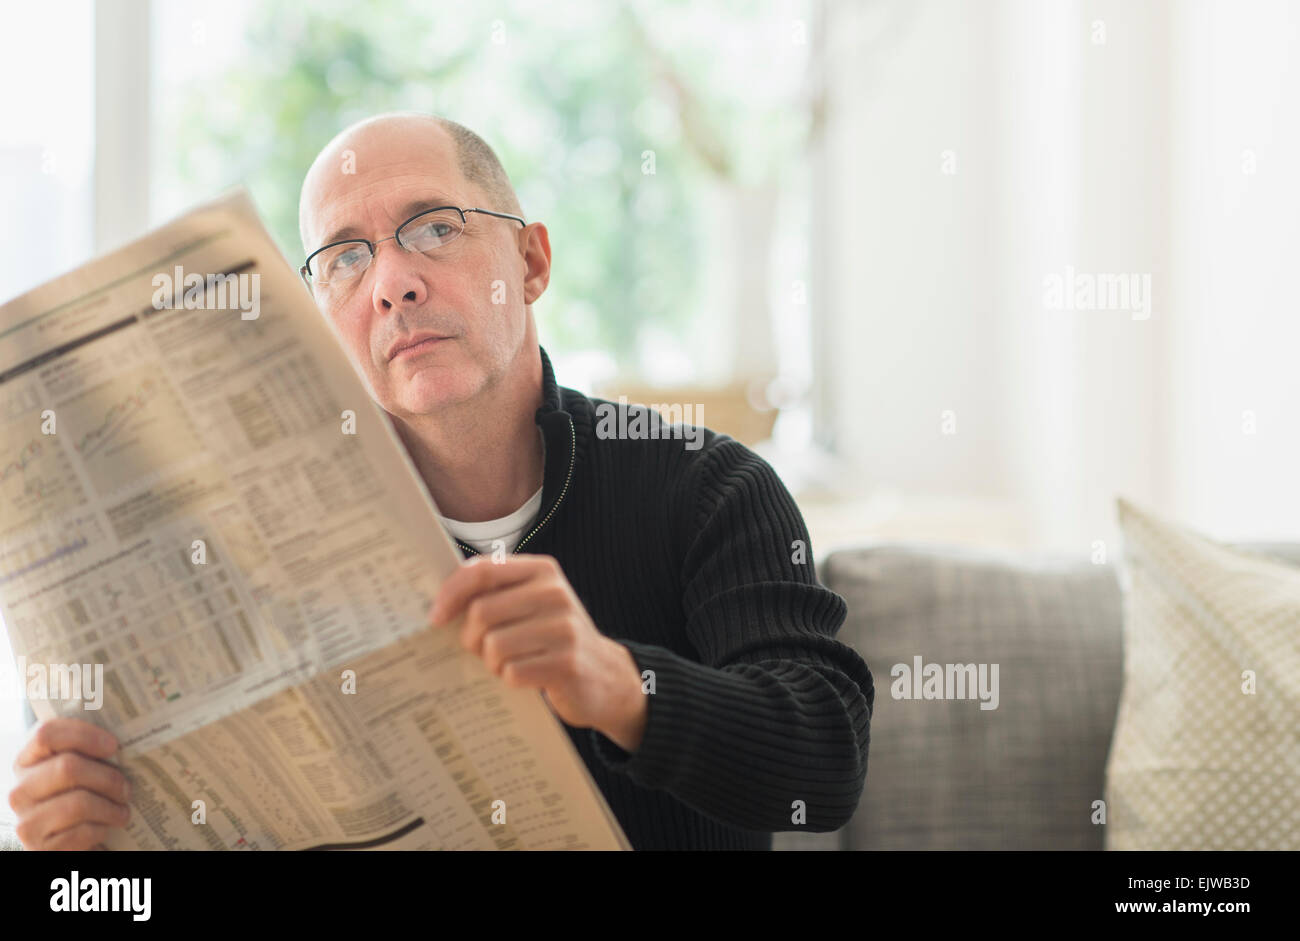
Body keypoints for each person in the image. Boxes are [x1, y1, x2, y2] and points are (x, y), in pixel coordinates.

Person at [9, 112, 873, 851]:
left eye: (434, 226)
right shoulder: (255, 539)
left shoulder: (711, 489)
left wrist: (618, 684)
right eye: (345, 257)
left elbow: (826, 761)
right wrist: (81, 862)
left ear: (531, 262)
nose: (393, 284)